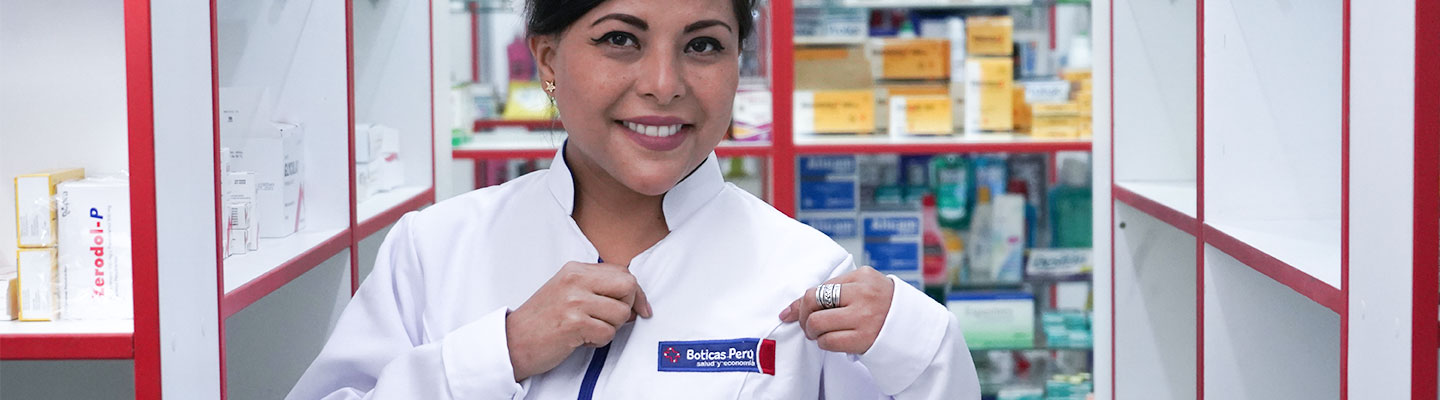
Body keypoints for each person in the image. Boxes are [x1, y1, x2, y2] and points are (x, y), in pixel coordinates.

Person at [288, 0, 980, 398]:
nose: (663, 83)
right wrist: (500, 351)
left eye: (703, 46)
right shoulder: (436, 249)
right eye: (620, 39)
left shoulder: (805, 274)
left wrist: (925, 349)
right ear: (548, 60)